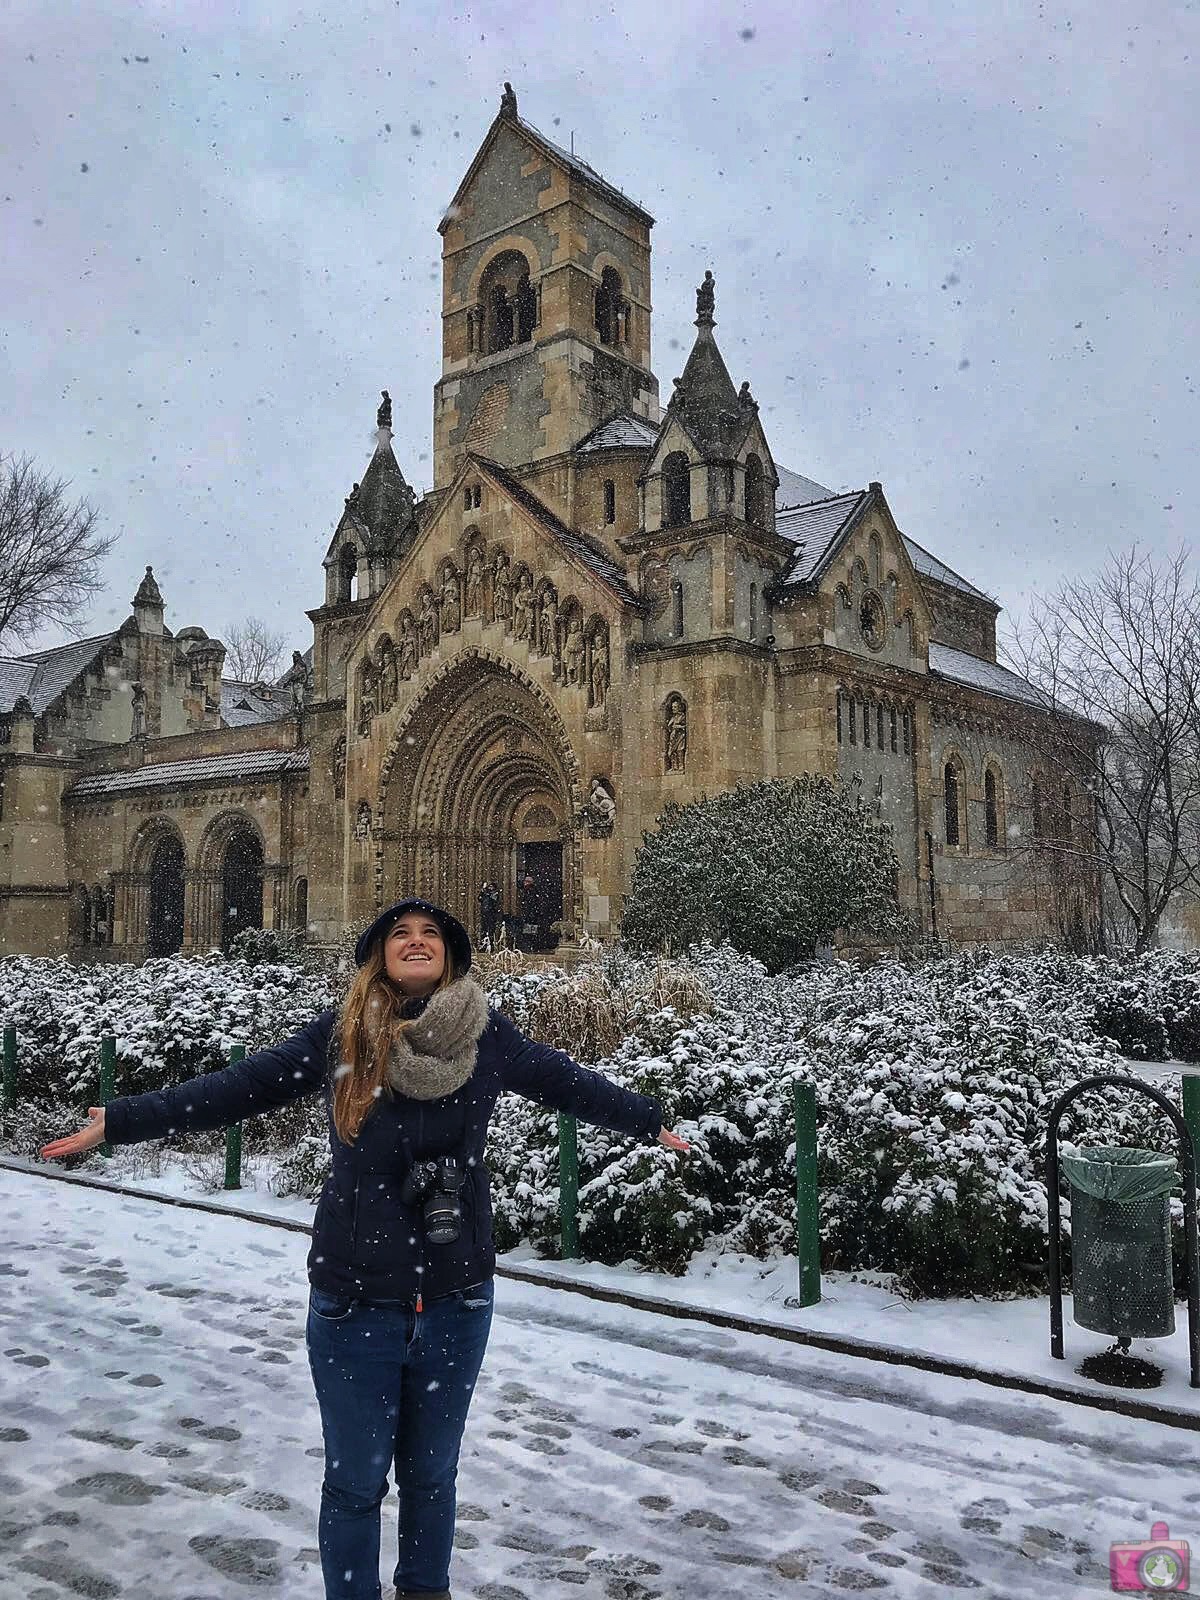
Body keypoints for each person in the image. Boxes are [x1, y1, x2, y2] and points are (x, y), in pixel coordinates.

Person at [40, 898, 691, 1600]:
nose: (416, 942)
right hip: (356, 1299)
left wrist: (646, 1119)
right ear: (378, 955)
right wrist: (126, 1121)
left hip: (456, 1296)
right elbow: (242, 1087)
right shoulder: (343, 1036)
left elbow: (564, 1080)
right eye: (400, 935)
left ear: (453, 954)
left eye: (431, 934)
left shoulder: (486, 1036)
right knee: (354, 1483)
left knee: (432, 1478)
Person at [477, 880, 500, 947]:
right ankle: (483, 944)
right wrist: (482, 892)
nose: (490, 888)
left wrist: (487, 894)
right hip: (484, 913)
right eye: (489, 886)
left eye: (491, 887)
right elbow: (479, 899)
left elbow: (494, 900)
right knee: (483, 929)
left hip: (491, 914)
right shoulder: (485, 893)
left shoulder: (494, 893)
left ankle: (491, 944)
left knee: (491, 929)